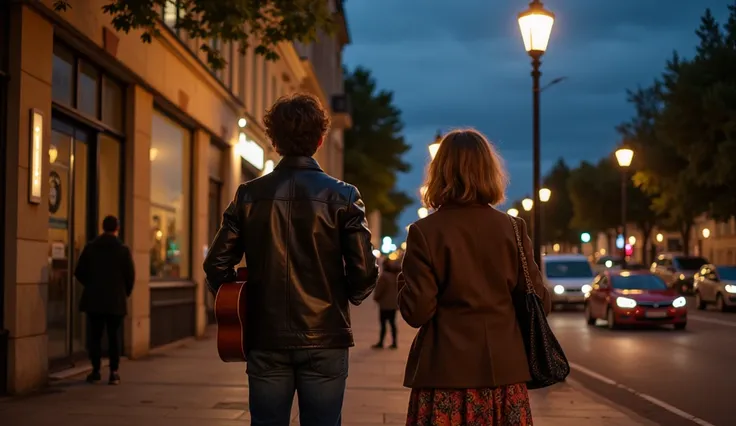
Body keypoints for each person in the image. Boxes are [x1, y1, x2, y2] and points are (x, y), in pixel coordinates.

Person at [203, 93, 379, 426]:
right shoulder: (343, 196)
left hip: (266, 334)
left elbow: (215, 264)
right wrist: (346, 296)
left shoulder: (249, 194)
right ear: (320, 139)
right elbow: (364, 271)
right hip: (325, 335)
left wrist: (237, 300)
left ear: (274, 140)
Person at [398, 129, 551, 425]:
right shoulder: (513, 229)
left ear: (439, 173)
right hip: (504, 376)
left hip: (444, 374)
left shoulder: (425, 232)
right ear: (489, 173)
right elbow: (539, 304)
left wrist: (404, 282)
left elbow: (416, 311)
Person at [74, 215, 135, 386]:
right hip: (115, 300)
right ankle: (114, 372)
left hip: (94, 300)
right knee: (114, 336)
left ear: (102, 227)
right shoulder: (123, 250)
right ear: (117, 228)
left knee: (95, 336)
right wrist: (124, 292)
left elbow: (79, 272)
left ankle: (95, 371)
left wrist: (91, 285)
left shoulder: (91, 247)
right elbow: (130, 276)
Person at [372, 255, 401, 349]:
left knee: (383, 324)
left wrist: (376, 297)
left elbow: (380, 290)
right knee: (393, 323)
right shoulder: (396, 276)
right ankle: (394, 342)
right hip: (393, 304)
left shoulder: (384, 277)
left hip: (384, 304)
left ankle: (381, 342)